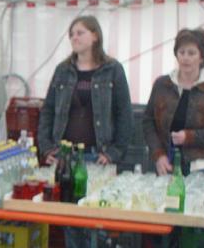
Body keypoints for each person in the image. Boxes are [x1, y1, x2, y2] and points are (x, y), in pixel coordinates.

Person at [38, 15, 133, 166]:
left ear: (95, 36)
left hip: (99, 156)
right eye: (71, 35)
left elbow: (125, 114)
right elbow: (47, 111)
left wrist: (113, 153)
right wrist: (47, 148)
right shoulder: (62, 70)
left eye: (80, 33)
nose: (74, 38)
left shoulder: (112, 70)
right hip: (62, 155)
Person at [143, 28, 204, 175]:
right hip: (165, 164)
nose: (185, 58)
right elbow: (148, 121)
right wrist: (158, 154)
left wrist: (190, 137)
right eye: (182, 52)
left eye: (191, 53)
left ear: (202, 57)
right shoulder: (162, 85)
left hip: (200, 167)